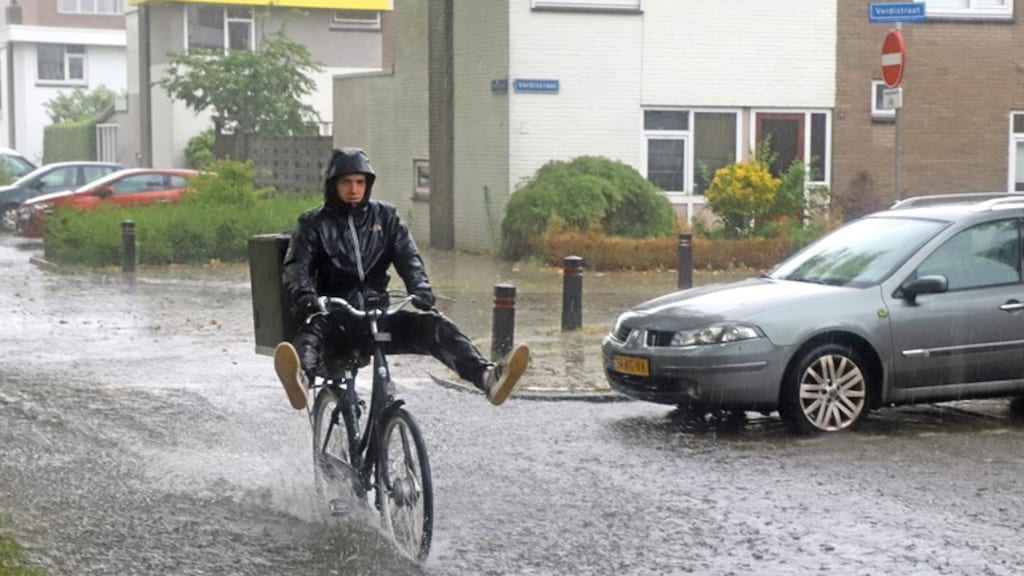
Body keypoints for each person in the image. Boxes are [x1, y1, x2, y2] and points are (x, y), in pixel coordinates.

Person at [273, 147, 529, 410]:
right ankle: (301, 379)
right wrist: (306, 295)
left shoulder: (386, 217)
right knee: (313, 326)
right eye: (346, 182)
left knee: (435, 325)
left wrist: (420, 288)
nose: (353, 189)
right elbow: (296, 267)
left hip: (376, 317)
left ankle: (487, 377)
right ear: (333, 184)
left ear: (368, 184)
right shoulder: (313, 223)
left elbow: (409, 258)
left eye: (360, 182)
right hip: (336, 320)